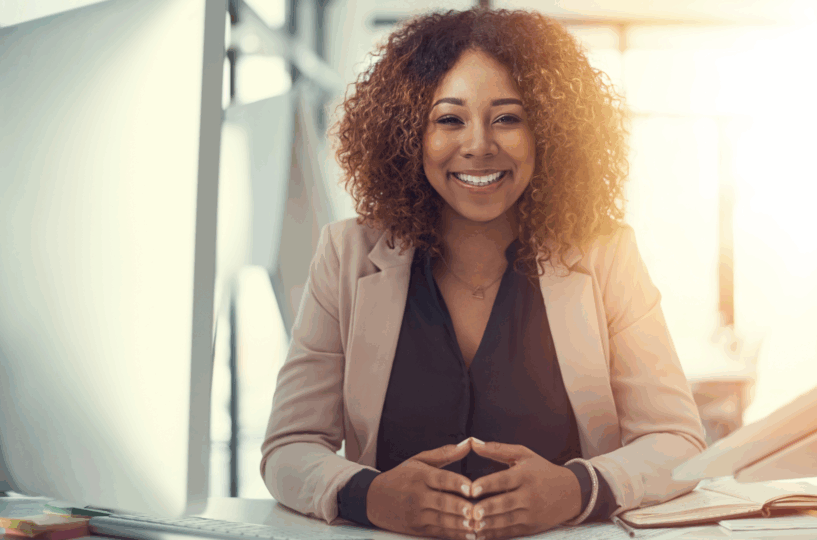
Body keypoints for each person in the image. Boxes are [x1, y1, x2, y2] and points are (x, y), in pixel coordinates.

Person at [261, 8, 706, 540]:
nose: (478, 145)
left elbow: (677, 439)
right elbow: (288, 447)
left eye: (508, 118)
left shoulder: (607, 255)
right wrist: (368, 496)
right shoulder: (346, 254)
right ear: (407, 134)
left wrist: (579, 489)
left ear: (550, 131)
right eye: (449, 119)